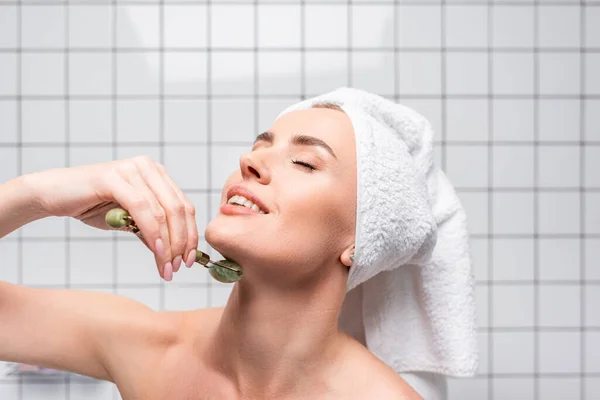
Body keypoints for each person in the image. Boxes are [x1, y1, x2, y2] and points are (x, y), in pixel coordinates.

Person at [0, 103, 425, 399]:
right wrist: (35, 195)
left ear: (360, 240)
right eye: (260, 147)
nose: (249, 161)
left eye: (304, 163)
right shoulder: (150, 348)